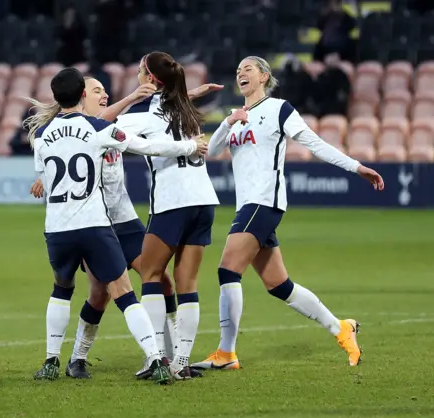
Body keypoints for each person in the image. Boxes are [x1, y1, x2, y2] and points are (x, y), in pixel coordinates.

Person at [191, 56, 384, 371]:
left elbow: (315, 143)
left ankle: (226, 354)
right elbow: (211, 151)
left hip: (264, 202)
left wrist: (356, 167)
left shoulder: (279, 109)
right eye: (238, 70)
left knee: (228, 270)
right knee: (280, 285)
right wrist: (228, 122)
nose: (241, 73)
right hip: (249, 205)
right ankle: (341, 327)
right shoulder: (236, 115)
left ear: (264, 76)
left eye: (248, 69)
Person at [27, 76, 222, 379]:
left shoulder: (111, 124)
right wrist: (131, 97)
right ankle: (78, 357)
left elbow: (153, 118)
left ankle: (170, 356)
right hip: (93, 222)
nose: (104, 95)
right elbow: (104, 123)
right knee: (99, 294)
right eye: (97, 91)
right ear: (82, 96)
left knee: (160, 278)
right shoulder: (97, 126)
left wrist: (187, 94)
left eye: (106, 91)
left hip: (123, 219)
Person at [114, 51, 220, 380]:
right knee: (187, 283)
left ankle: (157, 357)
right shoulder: (186, 108)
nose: (135, 75)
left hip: (172, 202)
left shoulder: (145, 114)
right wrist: (192, 93)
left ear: (149, 79)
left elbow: (101, 124)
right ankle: (181, 363)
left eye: (139, 70)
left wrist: (129, 100)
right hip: (204, 200)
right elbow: (173, 102)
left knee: (150, 273)